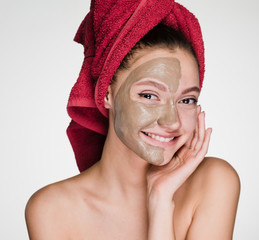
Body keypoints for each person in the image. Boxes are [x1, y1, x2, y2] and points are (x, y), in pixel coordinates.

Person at [25, 0, 240, 239]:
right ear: (106, 93)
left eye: (186, 100)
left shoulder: (213, 182)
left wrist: (161, 200)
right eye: (149, 95)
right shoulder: (53, 209)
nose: (172, 121)